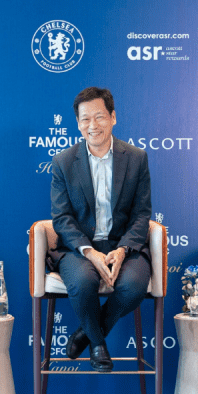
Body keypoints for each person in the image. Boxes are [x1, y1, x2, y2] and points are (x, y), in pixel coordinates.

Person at [49, 87, 152, 371]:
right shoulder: (63, 162)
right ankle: (97, 344)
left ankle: (87, 333)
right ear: (78, 123)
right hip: (80, 249)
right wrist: (89, 251)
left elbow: (141, 214)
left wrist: (123, 249)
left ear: (113, 117)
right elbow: (61, 217)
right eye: (85, 119)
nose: (92, 125)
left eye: (99, 117)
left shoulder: (136, 158)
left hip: (124, 245)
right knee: (83, 283)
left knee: (133, 287)